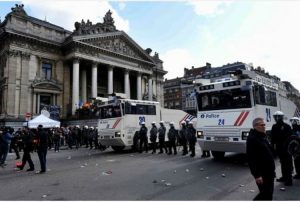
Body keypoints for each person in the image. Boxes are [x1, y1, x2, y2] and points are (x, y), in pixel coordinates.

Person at [246, 117, 275, 200]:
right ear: (255, 126)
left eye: (264, 125)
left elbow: (269, 150)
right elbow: (251, 159)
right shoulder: (252, 139)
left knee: (266, 194)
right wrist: (257, 175)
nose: (264, 126)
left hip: (269, 172)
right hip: (262, 173)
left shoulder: (262, 136)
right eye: (262, 125)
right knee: (266, 195)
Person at [271, 111, 294, 186]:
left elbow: (291, 138)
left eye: (279, 116)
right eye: (276, 116)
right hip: (279, 148)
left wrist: (291, 148)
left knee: (288, 164)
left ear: (282, 117)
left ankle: (289, 179)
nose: (277, 118)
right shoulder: (274, 126)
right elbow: (273, 138)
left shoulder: (287, 126)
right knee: (283, 163)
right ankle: (284, 177)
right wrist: (273, 148)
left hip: (287, 149)